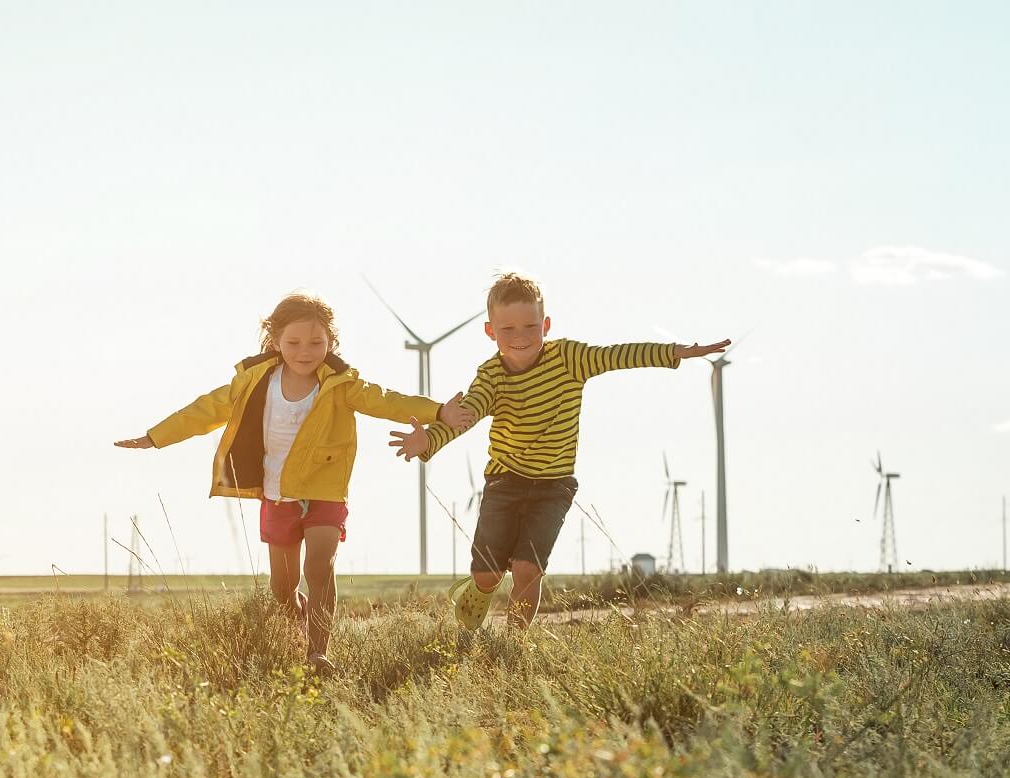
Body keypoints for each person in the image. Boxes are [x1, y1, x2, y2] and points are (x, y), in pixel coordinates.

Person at [116, 290, 475, 673]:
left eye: (317, 343)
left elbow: (388, 400)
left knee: (319, 568)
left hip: (325, 492)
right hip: (277, 495)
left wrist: (437, 410)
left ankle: (318, 651)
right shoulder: (254, 381)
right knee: (282, 590)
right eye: (294, 342)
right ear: (276, 342)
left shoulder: (341, 385)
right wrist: (156, 436)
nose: (306, 351)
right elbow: (204, 409)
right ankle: (301, 620)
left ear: (331, 343)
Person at [388, 272, 730, 630]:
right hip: (504, 481)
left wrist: (674, 352)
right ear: (490, 331)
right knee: (487, 574)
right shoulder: (490, 375)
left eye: (529, 326)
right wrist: (428, 440)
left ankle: (514, 640)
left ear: (546, 325)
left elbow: (618, 356)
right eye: (508, 329)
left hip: (554, 486)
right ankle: (480, 589)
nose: (520, 337)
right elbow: (467, 414)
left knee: (527, 569)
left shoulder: (569, 358)